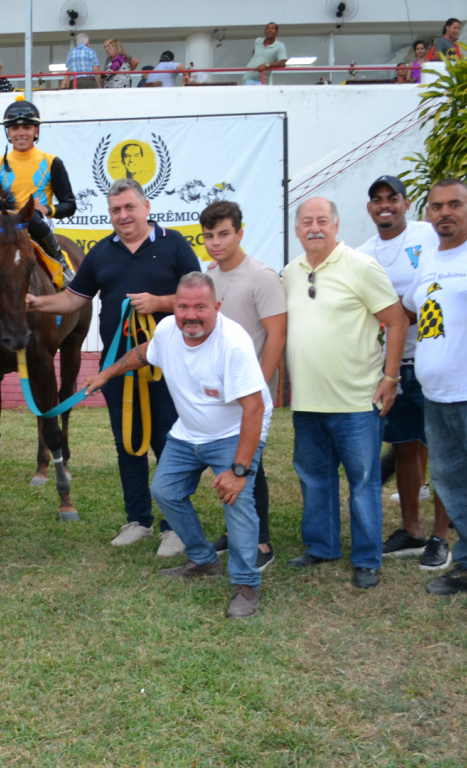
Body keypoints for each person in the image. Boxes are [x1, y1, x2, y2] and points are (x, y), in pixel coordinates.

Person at [25, 178, 201, 552]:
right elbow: (74, 299)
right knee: (127, 445)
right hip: (117, 367)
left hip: (168, 367)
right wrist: (37, 304)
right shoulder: (103, 251)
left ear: (146, 207)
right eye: (115, 210)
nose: (123, 215)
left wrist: (159, 303)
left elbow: (198, 299)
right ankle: (138, 520)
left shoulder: (174, 245)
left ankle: (175, 526)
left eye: (129, 207)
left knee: (168, 444)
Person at [84, 272, 272, 618]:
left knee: (238, 500)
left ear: (216, 307)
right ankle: (203, 560)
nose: (190, 315)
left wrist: (239, 470)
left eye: (200, 307)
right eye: (183, 306)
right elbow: (144, 352)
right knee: (165, 490)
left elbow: (254, 408)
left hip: (233, 432)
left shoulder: (234, 343)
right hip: (189, 431)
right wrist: (106, 373)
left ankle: (246, 585)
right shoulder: (168, 329)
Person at [283, 197, 409, 589]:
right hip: (307, 402)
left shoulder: (361, 266)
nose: (314, 227)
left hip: (357, 401)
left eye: (323, 220)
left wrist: (390, 378)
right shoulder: (290, 272)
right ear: (297, 230)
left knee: (364, 482)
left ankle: (367, 559)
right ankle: (322, 546)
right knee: (314, 478)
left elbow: (397, 321)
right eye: (307, 221)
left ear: (337, 226)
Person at [408, 179, 467, 623]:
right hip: (438, 397)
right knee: (454, 486)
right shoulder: (429, 256)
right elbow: (417, 312)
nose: (445, 212)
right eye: (437, 206)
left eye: (454, 205)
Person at [355, 175, 451, 570]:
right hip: (392, 364)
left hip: (434, 358)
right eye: (377, 199)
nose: (385, 205)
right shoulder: (362, 253)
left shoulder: (429, 236)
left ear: (407, 203)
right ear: (369, 208)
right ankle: (411, 530)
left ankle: (441, 537)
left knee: (442, 452)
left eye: (392, 198)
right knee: (406, 446)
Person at [200, 201, 286, 571]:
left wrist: (259, 390)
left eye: (223, 234)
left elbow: (277, 335)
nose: (216, 242)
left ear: (240, 233)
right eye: (208, 236)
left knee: (251, 465)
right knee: (229, 460)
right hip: (221, 392)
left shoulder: (262, 276)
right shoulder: (209, 275)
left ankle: (261, 542)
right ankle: (236, 533)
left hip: (250, 392)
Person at [0, 98, 77, 277]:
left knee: (31, 218)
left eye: (27, 127)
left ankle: (59, 260)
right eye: (15, 128)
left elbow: (69, 205)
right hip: (5, 226)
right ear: (8, 132)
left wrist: (47, 208)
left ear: (36, 130)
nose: (21, 133)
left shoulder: (52, 162)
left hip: (37, 223)